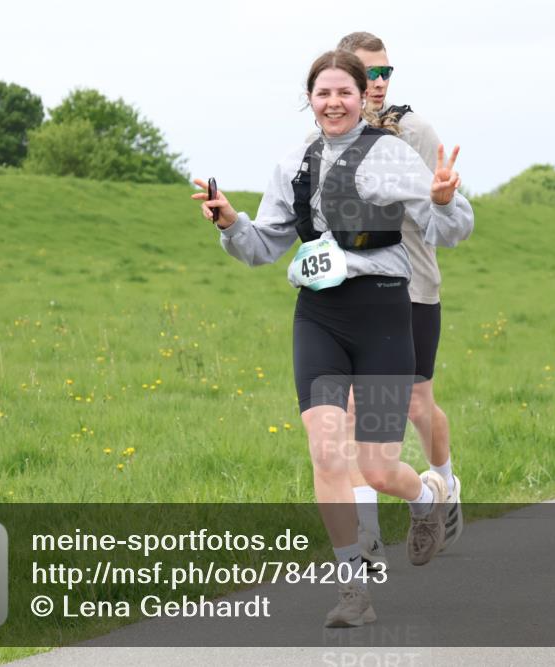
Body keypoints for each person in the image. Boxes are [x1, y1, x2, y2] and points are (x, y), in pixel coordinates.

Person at [192, 50, 474, 626]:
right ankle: (353, 590)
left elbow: (452, 228)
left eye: (344, 91)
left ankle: (425, 497)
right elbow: (263, 246)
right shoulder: (294, 162)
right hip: (319, 314)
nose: (334, 102)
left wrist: (444, 200)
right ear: (310, 98)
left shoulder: (391, 154)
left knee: (375, 468)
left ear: (361, 96)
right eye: (323, 93)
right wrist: (230, 223)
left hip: (384, 316)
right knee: (325, 448)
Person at [329, 32, 464, 570]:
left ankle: (445, 484)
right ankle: (366, 538)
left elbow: (445, 212)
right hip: (356, 290)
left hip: (412, 286)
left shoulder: (414, 130)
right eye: (371, 73)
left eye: (387, 73)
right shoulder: (328, 135)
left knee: (415, 404)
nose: (381, 83)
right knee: (356, 411)